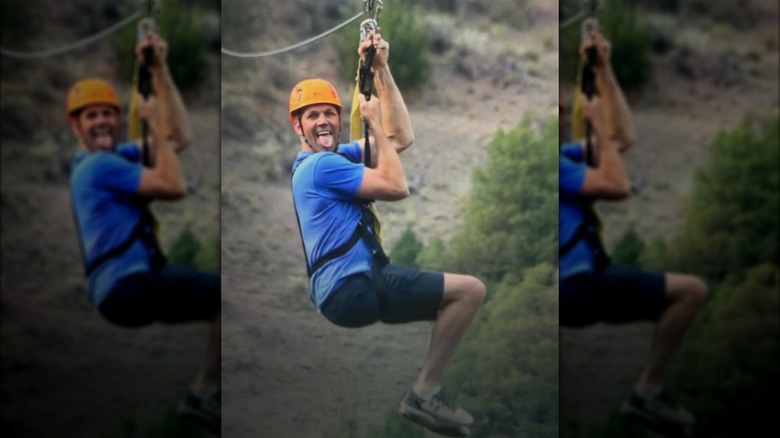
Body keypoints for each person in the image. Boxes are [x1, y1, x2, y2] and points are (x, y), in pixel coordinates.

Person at [289, 29, 486, 437]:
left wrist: (381, 70)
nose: (324, 121)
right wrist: (373, 121)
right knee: (469, 291)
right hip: (354, 287)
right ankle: (424, 393)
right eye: (313, 116)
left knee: (463, 296)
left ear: (340, 118)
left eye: (330, 113)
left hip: (349, 294)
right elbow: (397, 187)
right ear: (297, 126)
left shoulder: (334, 157)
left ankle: (425, 394)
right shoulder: (321, 167)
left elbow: (400, 139)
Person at [67, 31, 220, 434]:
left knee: (218, 301)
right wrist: (150, 122)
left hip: (120, 292)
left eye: (107, 114)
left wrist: (160, 70)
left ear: (117, 119)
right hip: (129, 285)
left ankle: (206, 395)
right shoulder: (98, 167)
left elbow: (179, 138)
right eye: (91, 116)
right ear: (75, 126)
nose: (102, 121)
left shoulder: (113, 158)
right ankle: (204, 390)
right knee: (225, 296)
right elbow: (173, 185)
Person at [559, 31, 708, 433]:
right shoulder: (556, 168)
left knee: (689, 291)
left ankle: (647, 392)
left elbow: (623, 138)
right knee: (690, 291)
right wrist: (591, 121)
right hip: (577, 287)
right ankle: (647, 391)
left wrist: (603, 72)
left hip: (582, 286)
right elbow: (617, 186)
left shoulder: (564, 159)